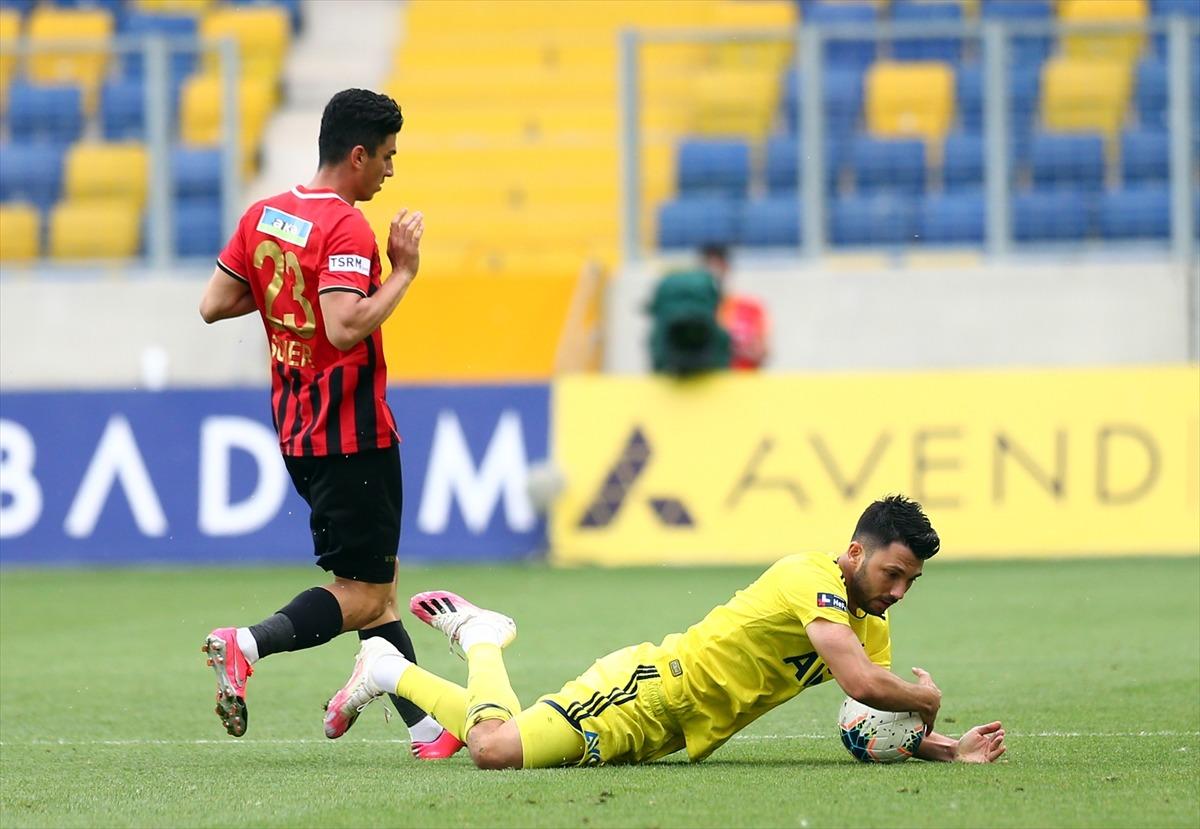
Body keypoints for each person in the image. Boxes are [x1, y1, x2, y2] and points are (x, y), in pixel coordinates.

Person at [323, 495, 1007, 768]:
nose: (898, 591)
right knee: (494, 750)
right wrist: (925, 704)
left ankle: (387, 667)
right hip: (648, 689)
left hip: (672, 731)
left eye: (911, 582)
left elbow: (876, 699)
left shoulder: (869, 620)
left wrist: (947, 750)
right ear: (856, 553)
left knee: (495, 737)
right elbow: (865, 684)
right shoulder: (810, 576)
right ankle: (479, 635)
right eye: (894, 572)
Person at [197, 88, 461, 759]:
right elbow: (345, 326)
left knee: (380, 584)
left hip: (296, 428)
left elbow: (214, 302)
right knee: (364, 594)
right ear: (356, 155)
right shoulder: (344, 227)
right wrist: (402, 273)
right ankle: (246, 644)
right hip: (351, 432)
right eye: (387, 157)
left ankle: (427, 730)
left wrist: (284, 295)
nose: (391, 171)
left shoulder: (265, 214)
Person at [700, 244, 770, 371]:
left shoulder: (750, 307)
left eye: (717, 266)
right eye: (706, 267)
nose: (712, 273)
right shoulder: (692, 311)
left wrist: (733, 348)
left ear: (727, 268)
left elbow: (762, 353)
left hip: (742, 383)